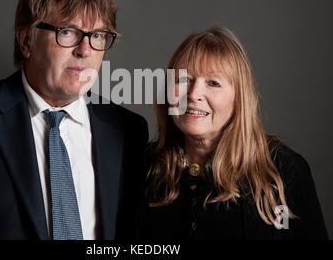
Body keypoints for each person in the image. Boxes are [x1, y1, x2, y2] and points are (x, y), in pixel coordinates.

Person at [0, 0, 148, 240]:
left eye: (97, 35)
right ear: (26, 41)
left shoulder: (127, 131)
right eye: (68, 31)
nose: (85, 50)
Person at [135, 26, 328, 240]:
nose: (194, 94)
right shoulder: (143, 167)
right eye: (185, 79)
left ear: (239, 99)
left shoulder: (283, 171)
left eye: (213, 83)